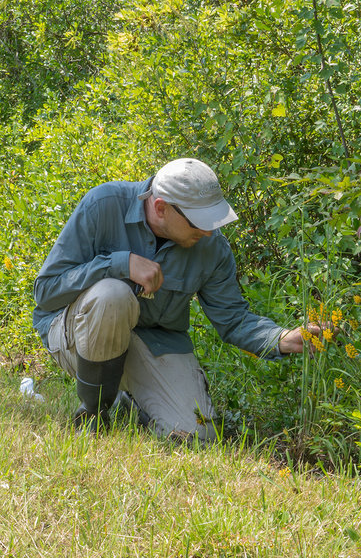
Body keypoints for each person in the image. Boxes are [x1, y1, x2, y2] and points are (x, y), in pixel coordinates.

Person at [33, 158, 321, 440]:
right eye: (199, 222)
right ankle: (94, 414)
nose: (208, 230)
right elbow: (46, 291)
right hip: (78, 337)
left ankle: (127, 402)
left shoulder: (211, 246)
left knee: (197, 432)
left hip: (153, 343)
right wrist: (118, 264)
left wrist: (280, 338)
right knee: (113, 294)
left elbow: (233, 319)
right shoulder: (103, 204)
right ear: (161, 208)